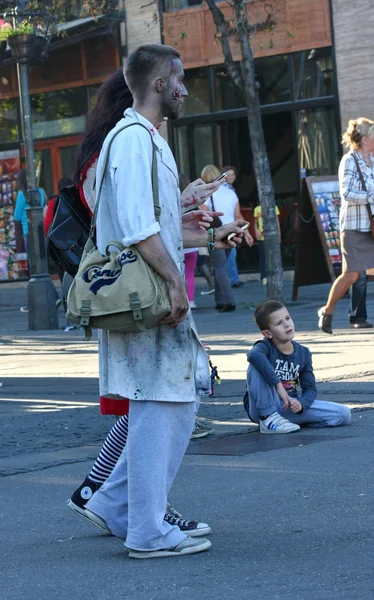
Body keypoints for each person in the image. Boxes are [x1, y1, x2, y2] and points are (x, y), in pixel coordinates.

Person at [76, 45, 246, 559]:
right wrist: (175, 279)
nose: (185, 89)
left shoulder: (144, 139)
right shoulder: (131, 140)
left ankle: (118, 504)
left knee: (172, 400)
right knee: (161, 404)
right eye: (180, 79)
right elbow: (134, 226)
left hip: (148, 291)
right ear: (157, 84)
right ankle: (146, 529)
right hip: (146, 296)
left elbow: (147, 222)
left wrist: (195, 233)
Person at [244, 300, 351, 433]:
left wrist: (302, 404)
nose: (287, 324)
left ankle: (287, 422)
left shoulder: (303, 353)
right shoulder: (265, 348)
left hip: (289, 406)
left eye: (288, 318)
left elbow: (310, 389)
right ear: (267, 333)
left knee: (343, 414)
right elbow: (253, 355)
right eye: (279, 323)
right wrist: (278, 385)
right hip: (262, 407)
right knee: (256, 364)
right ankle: (268, 419)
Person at [318, 118, 374, 334]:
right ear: (366, 138)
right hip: (353, 227)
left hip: (371, 225)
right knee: (352, 275)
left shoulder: (372, 159)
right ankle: (327, 310)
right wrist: (371, 196)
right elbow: (346, 194)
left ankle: (357, 315)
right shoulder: (349, 160)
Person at [201, 164, 253, 311]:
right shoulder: (231, 193)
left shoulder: (206, 193)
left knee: (218, 267)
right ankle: (219, 300)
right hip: (232, 231)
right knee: (221, 265)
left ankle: (229, 301)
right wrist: (247, 234)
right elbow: (238, 215)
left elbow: (203, 215)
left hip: (214, 232)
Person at [14, 169, 60, 313]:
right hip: (40, 233)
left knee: (34, 271)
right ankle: (53, 296)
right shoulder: (40, 192)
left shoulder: (22, 195)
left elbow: (16, 215)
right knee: (41, 268)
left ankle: (37, 302)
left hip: (29, 234)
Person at [222, 166, 245, 287]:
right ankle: (233, 280)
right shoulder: (229, 192)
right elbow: (237, 214)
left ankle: (231, 279)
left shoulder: (230, 191)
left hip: (225, 226)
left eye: (232, 175)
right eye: (228, 175)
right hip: (228, 225)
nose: (231, 177)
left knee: (228, 254)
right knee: (230, 254)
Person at [253, 199, 281, 285]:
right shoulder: (257, 209)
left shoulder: (274, 208)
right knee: (263, 257)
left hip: (272, 235)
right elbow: (255, 223)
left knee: (274, 257)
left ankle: (275, 276)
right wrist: (256, 231)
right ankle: (264, 276)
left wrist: (279, 235)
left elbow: (277, 222)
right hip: (261, 236)